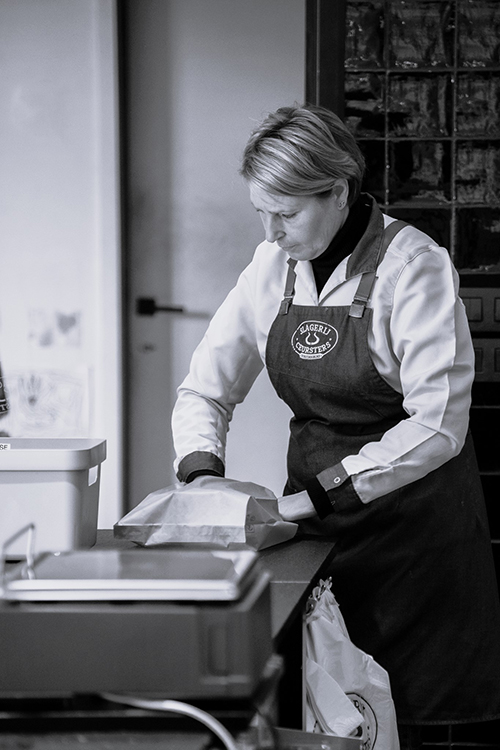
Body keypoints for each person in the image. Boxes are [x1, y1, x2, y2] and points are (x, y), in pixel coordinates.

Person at [171, 104, 500, 748]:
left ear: (340, 192)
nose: (271, 233)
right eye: (261, 212)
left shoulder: (413, 267)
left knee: (409, 721)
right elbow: (205, 389)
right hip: (315, 540)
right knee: (324, 715)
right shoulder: (270, 269)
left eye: (287, 214)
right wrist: (203, 479)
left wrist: (311, 498)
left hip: (414, 545)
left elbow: (437, 424)